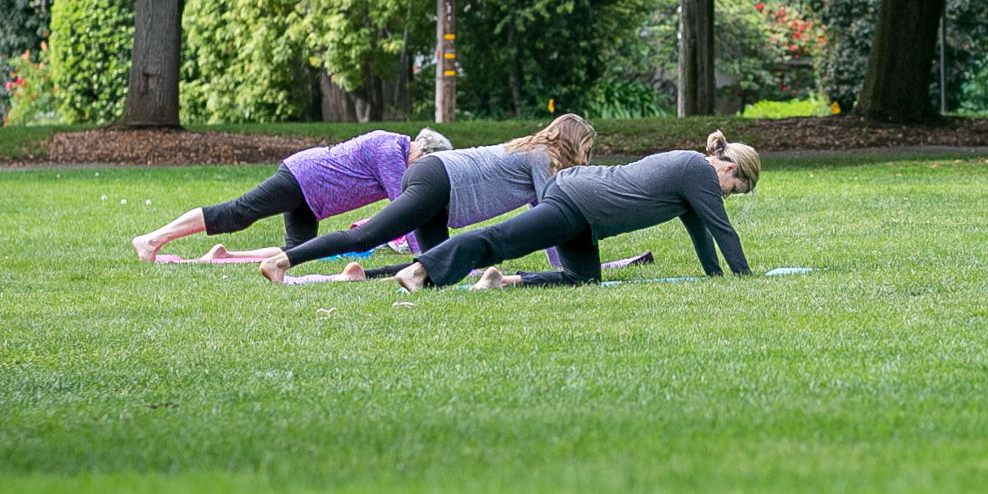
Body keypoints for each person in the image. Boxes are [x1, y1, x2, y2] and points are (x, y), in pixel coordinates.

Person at [395, 130, 759, 291]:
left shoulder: (692, 176)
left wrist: (717, 278)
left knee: (582, 278)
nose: (728, 196)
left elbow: (703, 234)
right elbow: (723, 230)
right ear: (728, 168)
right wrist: (744, 280)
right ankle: (422, 270)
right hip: (578, 200)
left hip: (587, 216)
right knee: (505, 240)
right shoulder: (697, 170)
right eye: (735, 190)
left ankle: (501, 281)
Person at [252, 114, 597, 282]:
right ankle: (280, 262)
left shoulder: (532, 149)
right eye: (586, 150)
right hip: (439, 180)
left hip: (439, 182)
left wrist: (563, 265)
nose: (585, 160)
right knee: (366, 235)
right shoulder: (543, 158)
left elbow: (543, 217)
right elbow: (553, 218)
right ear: (569, 142)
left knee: (435, 267)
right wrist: (567, 267)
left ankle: (357, 276)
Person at [130, 126, 453, 261]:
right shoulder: (390, 152)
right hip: (302, 178)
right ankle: (152, 239)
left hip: (314, 202)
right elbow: (409, 215)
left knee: (297, 253)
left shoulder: (394, 153)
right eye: (431, 164)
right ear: (424, 153)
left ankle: (224, 257)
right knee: (238, 213)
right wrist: (434, 258)